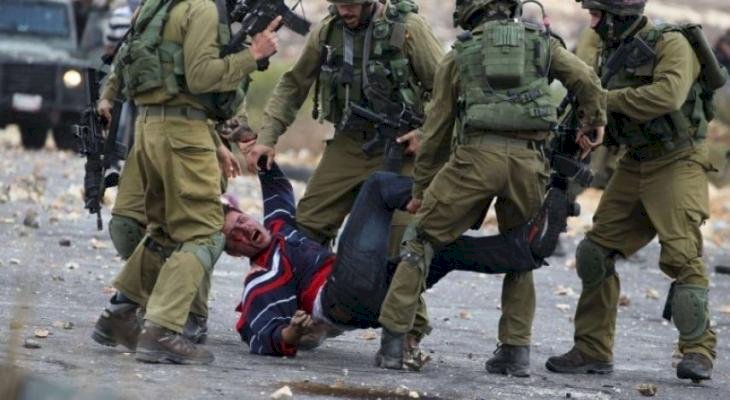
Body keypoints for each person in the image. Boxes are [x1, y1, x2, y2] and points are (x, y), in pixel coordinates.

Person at [375, 0, 607, 376]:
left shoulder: (460, 54)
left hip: (473, 160)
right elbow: (587, 80)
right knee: (522, 250)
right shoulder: (543, 44)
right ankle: (515, 352)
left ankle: (393, 344)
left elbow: (436, 132)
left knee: (420, 240)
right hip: (529, 163)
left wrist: (421, 191)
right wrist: (593, 121)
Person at [227, 159, 564, 371]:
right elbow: (259, 334)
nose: (244, 230)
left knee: (440, 248)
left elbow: (276, 187)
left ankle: (526, 248)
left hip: (381, 297)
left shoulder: (279, 226)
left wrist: (254, 148)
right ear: (235, 252)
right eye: (235, 237)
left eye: (241, 220)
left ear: (247, 213)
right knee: (376, 187)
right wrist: (291, 333)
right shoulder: (262, 277)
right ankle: (456, 201)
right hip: (343, 294)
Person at [245, 0, 445, 352]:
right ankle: (312, 315)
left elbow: (449, 91)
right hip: (351, 142)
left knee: (401, 239)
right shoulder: (328, 31)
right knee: (305, 227)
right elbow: (294, 85)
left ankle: (407, 331)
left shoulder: (409, 30)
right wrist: (267, 138)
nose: (345, 11)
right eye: (339, 4)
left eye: (351, 5)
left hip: (404, 145)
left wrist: (426, 134)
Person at [90, 0, 280, 365]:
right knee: (205, 231)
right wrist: (253, 55)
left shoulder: (157, 5)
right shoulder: (203, 9)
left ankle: (119, 314)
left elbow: (126, 59)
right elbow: (201, 77)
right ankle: (162, 331)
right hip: (183, 131)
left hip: (149, 127)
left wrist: (108, 95)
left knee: (165, 231)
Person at [546, 0, 719, 383]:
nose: (591, 21)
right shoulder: (607, 49)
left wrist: (603, 101)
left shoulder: (671, 42)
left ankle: (698, 351)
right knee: (595, 253)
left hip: (678, 160)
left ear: (617, 16)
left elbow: (668, 96)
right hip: (634, 161)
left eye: (597, 14)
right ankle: (592, 349)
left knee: (682, 256)